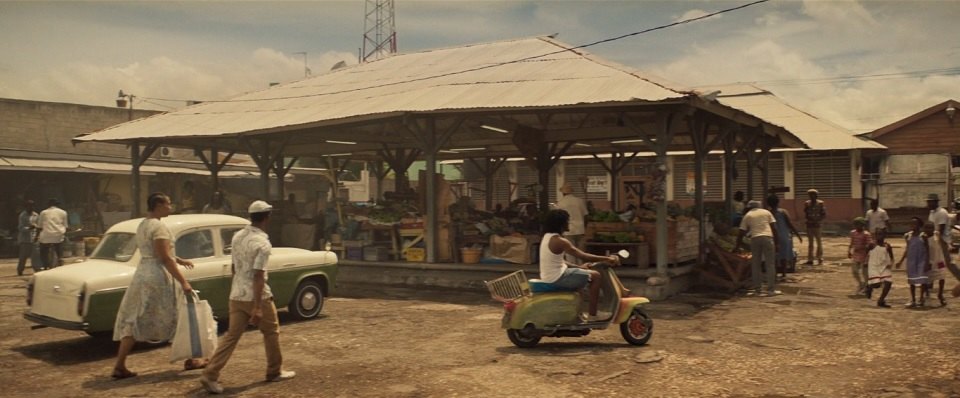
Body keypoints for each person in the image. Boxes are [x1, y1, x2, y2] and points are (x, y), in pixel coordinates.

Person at [201, 200, 295, 394]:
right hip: (256, 296)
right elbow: (259, 276)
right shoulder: (263, 244)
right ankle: (274, 371)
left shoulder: (238, 236)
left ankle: (210, 373)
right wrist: (258, 306)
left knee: (231, 337)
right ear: (267, 217)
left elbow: (235, 267)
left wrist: (238, 288)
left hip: (237, 293)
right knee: (271, 332)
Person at [111, 193, 204, 379]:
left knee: (134, 318)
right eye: (168, 203)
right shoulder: (160, 227)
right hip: (158, 276)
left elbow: (158, 252)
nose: (171, 206)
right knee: (178, 313)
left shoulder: (143, 224)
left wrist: (178, 259)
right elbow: (164, 257)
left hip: (143, 273)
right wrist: (183, 281)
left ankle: (119, 364)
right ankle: (191, 358)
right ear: (159, 205)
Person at [538, 209, 620, 322]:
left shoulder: (547, 237)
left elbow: (560, 261)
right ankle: (593, 315)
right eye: (567, 221)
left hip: (551, 275)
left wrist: (579, 268)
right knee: (596, 276)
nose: (568, 223)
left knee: (583, 277)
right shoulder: (560, 241)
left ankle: (578, 314)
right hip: (557, 277)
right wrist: (607, 258)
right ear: (561, 224)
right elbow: (583, 256)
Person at [734, 200, 781, 297]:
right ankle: (771, 290)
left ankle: (757, 290)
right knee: (770, 264)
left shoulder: (748, 215)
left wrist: (737, 246)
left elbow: (741, 232)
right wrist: (777, 243)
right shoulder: (767, 212)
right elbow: (774, 228)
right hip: (768, 238)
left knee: (756, 264)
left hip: (755, 238)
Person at [896, 217, 930, 308]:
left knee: (922, 279)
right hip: (911, 261)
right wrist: (901, 261)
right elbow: (907, 249)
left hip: (921, 260)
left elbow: (927, 250)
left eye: (915, 224)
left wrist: (927, 262)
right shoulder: (908, 236)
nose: (912, 226)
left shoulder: (923, 236)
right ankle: (913, 299)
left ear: (919, 225)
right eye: (911, 224)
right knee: (912, 281)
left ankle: (921, 298)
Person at [767, 194, 801, 280]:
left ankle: (774, 273)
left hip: (772, 236)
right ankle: (783, 273)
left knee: (773, 255)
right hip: (784, 236)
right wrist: (797, 234)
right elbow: (790, 224)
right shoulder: (783, 212)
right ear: (778, 202)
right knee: (784, 256)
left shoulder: (768, 213)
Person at [865, 230, 895, 308]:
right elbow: (866, 252)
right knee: (876, 284)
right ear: (875, 235)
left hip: (884, 266)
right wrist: (865, 261)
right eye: (878, 234)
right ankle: (869, 287)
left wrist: (891, 263)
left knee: (888, 282)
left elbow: (891, 256)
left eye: (881, 234)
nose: (879, 236)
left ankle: (881, 300)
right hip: (873, 266)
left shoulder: (887, 245)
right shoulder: (872, 244)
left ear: (885, 235)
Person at [555, 182, 588, 251]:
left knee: (570, 251)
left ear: (562, 193)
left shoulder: (560, 203)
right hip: (580, 229)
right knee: (581, 251)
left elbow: (559, 219)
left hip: (568, 230)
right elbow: (585, 215)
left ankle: (572, 262)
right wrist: (584, 227)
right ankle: (580, 262)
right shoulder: (579, 201)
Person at [36, 198, 67, 270]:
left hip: (46, 235)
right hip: (58, 235)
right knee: (59, 246)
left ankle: (45, 265)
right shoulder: (63, 212)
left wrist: (36, 237)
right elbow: (65, 225)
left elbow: (40, 226)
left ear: (48, 205)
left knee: (43, 250)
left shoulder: (43, 212)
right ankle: (60, 258)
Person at [923, 221, 948, 307]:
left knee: (942, 276)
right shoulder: (923, 238)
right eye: (927, 227)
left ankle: (940, 294)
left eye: (930, 227)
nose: (928, 229)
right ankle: (925, 294)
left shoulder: (937, 235)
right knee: (926, 279)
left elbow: (943, 243)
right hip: (928, 261)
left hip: (939, 259)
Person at [847, 217, 872, 295]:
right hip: (856, 254)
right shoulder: (853, 233)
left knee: (865, 272)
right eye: (856, 224)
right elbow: (851, 242)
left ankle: (867, 286)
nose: (857, 226)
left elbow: (869, 245)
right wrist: (849, 251)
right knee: (854, 271)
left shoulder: (866, 234)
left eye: (859, 224)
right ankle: (861, 284)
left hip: (865, 254)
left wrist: (865, 250)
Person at [803, 188, 826, 265]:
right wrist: (810, 220)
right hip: (809, 225)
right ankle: (810, 259)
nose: (812, 196)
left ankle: (819, 257)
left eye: (813, 195)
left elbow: (823, 214)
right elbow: (806, 213)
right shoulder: (807, 203)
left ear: (816, 195)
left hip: (817, 225)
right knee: (810, 243)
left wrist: (818, 220)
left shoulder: (820, 203)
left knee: (819, 242)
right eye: (810, 195)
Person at [16, 199, 39, 276]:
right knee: (23, 257)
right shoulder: (22, 215)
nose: (31, 207)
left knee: (35, 257)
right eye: (29, 206)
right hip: (24, 240)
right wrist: (29, 228)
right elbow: (20, 228)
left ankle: (37, 270)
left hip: (34, 239)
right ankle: (20, 270)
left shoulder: (36, 215)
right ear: (26, 207)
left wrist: (37, 236)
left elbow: (38, 227)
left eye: (32, 206)